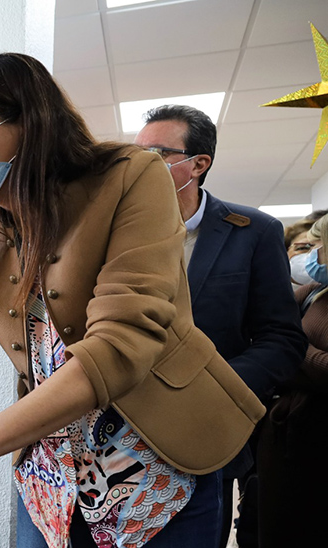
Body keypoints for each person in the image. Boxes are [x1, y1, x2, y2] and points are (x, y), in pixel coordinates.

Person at [0, 53, 265, 548]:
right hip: (51, 473)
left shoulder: (130, 176)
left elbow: (122, 340)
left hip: (159, 461)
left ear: (31, 121)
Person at [134, 105, 306, 547]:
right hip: (122, 431)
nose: (140, 165)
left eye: (157, 153)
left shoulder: (253, 231)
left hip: (205, 429)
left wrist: (216, 387)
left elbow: (281, 338)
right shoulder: (119, 233)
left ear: (198, 163)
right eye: (135, 154)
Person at [257, 216, 328, 547]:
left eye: (318, 246)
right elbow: (267, 341)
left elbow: (284, 347)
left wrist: (295, 351)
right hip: (289, 441)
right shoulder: (312, 292)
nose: (311, 255)